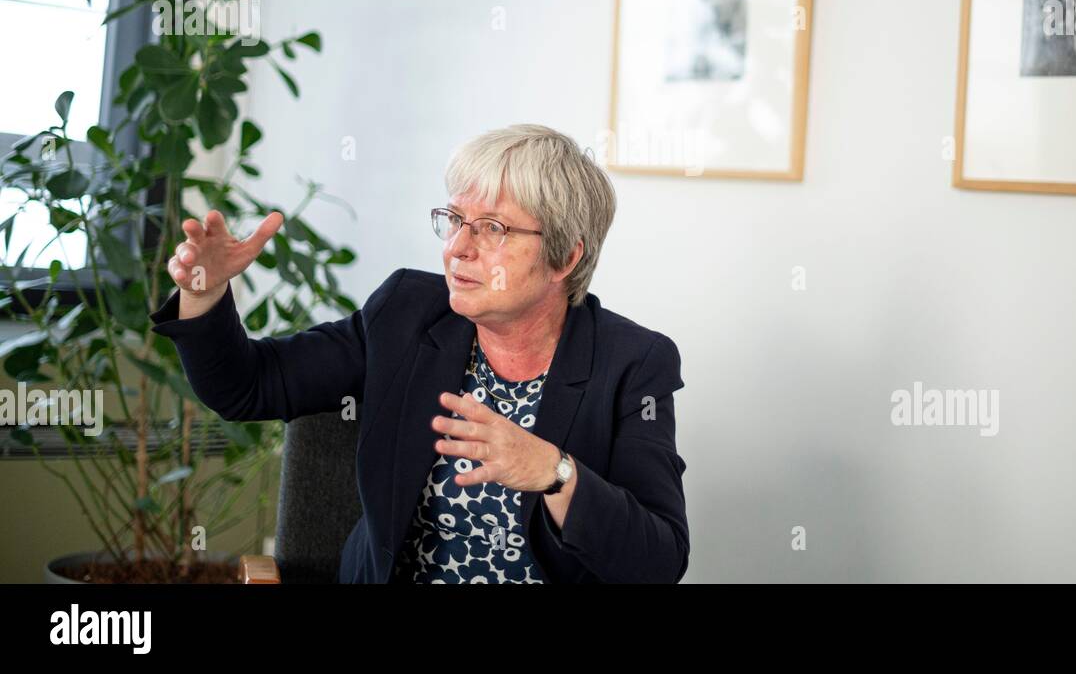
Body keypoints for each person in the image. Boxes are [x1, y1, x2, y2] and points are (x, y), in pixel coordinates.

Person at [148, 124, 688, 583]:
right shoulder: (407, 314)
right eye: (454, 220)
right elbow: (248, 386)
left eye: (493, 228)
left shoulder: (632, 363)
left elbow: (658, 560)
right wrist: (203, 291)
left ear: (565, 256)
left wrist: (554, 471)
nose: (458, 246)